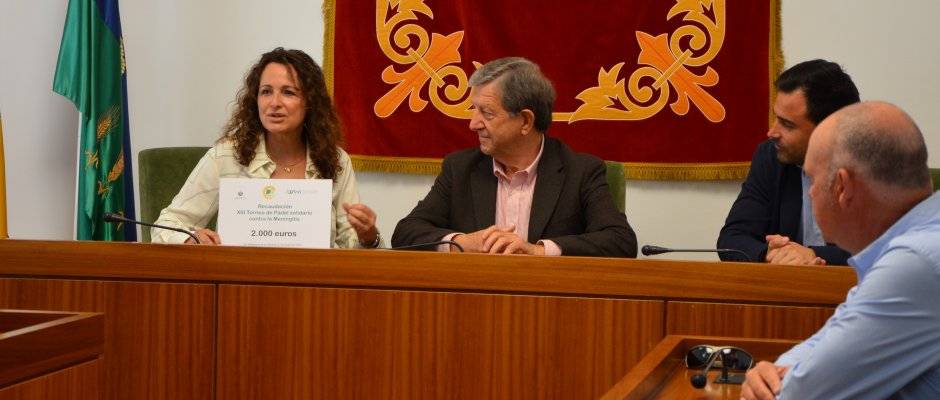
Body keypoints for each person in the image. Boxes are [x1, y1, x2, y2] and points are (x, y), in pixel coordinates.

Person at [741, 102, 940, 399]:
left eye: (813, 179)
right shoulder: (915, 241)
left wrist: (773, 383)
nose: (810, 192)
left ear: (842, 187)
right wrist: (775, 373)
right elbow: (828, 342)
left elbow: (801, 395)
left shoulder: (915, 263)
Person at [391, 57, 637, 257]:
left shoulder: (581, 171)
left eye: (487, 113)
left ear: (526, 121)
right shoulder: (461, 168)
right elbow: (406, 233)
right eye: (474, 110)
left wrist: (539, 251)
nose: (473, 124)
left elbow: (620, 241)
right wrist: (461, 242)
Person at [152, 48, 380, 248]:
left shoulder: (335, 160)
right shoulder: (225, 157)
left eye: (288, 92)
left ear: (310, 102)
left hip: (313, 282)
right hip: (238, 280)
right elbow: (166, 224)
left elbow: (352, 248)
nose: (274, 103)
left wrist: (369, 237)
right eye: (266, 92)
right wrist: (190, 238)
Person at [718, 60, 859, 265]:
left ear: (828, 129)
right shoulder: (771, 156)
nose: (772, 132)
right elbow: (732, 238)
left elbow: (884, 245)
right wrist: (769, 253)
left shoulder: (873, 163)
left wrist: (813, 254)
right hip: (787, 282)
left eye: (787, 124)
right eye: (776, 117)